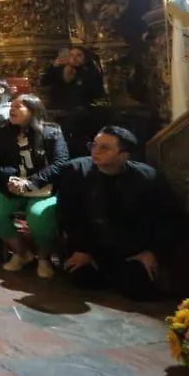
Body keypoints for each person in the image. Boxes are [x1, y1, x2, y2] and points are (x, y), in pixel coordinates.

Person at [11, 126, 175, 301]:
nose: (96, 151)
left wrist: (150, 251)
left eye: (104, 148)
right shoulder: (76, 171)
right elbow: (69, 215)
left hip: (130, 249)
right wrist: (83, 250)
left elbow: (163, 218)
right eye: (94, 145)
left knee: (136, 285)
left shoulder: (146, 178)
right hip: (91, 246)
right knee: (83, 278)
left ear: (124, 155)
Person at [0, 94, 68, 278]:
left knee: (38, 215)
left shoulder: (51, 132)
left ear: (33, 110)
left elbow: (60, 163)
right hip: (13, 189)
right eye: (11, 106)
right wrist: (9, 179)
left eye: (19, 106)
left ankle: (44, 258)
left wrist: (31, 182)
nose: (12, 109)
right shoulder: (2, 134)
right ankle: (22, 253)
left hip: (43, 189)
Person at [41, 46, 105, 158]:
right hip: (59, 113)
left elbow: (97, 92)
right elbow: (44, 82)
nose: (74, 58)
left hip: (81, 116)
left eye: (79, 55)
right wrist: (54, 66)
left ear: (85, 57)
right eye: (71, 55)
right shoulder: (59, 70)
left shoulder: (90, 72)